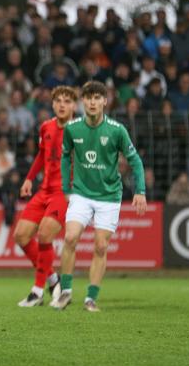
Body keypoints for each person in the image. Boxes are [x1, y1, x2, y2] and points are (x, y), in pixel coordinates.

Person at [53, 80, 146, 312]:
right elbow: (65, 157)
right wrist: (67, 188)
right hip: (82, 194)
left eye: (97, 98)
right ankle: (65, 291)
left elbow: (135, 160)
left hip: (109, 195)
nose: (93, 102)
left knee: (101, 246)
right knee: (70, 238)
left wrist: (140, 191)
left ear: (105, 101)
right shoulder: (73, 128)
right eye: (89, 98)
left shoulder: (117, 130)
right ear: (83, 101)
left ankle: (90, 298)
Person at [14, 86, 77, 307]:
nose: (62, 104)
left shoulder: (79, 131)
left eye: (67, 101)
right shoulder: (46, 127)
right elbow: (42, 154)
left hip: (64, 193)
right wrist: (29, 178)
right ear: (52, 104)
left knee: (45, 234)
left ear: (74, 106)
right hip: (43, 190)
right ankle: (53, 279)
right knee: (21, 236)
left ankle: (38, 291)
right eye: (58, 100)